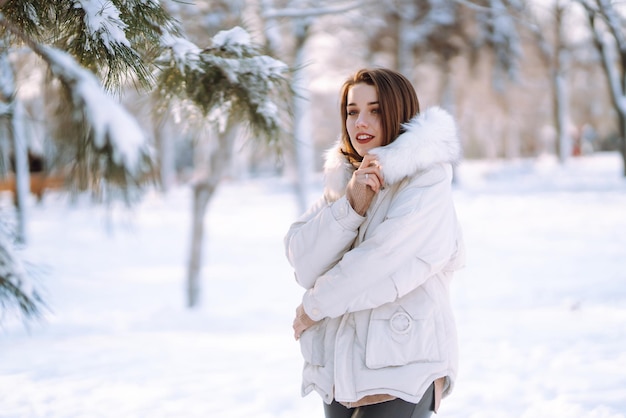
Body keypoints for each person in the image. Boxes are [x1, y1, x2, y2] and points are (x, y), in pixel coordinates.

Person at [284, 68, 465, 418]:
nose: (360, 122)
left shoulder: (428, 178)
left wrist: (313, 308)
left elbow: (381, 263)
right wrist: (350, 206)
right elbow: (303, 262)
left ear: (398, 112)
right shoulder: (346, 179)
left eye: (375, 110)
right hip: (341, 367)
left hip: (403, 365)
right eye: (353, 111)